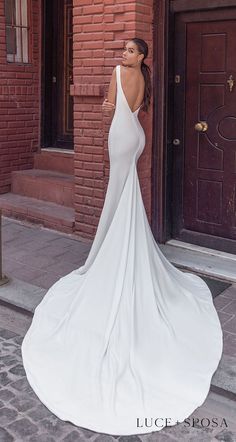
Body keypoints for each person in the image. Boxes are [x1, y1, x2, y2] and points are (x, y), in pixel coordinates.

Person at [21, 38, 223, 436]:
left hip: (119, 138)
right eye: (125, 51)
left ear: (142, 56)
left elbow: (109, 109)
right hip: (135, 140)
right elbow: (135, 109)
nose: (124, 55)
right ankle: (118, 244)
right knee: (125, 191)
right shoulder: (144, 80)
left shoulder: (117, 74)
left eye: (130, 51)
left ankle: (108, 252)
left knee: (119, 190)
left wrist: (106, 108)